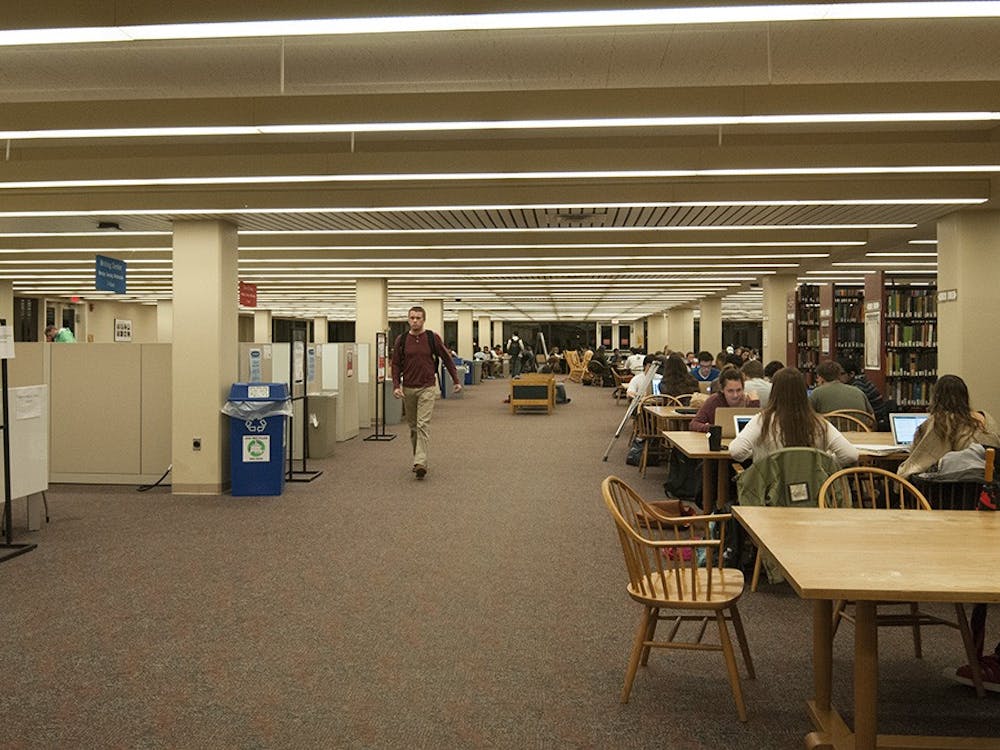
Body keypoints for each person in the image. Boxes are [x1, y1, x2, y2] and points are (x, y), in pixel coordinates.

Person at [729, 367, 859, 466]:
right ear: (803, 392)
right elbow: (851, 455)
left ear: (774, 392)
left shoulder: (763, 421)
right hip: (813, 495)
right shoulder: (818, 423)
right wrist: (825, 462)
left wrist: (759, 457)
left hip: (770, 494)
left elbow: (736, 451)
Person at [391, 306, 462, 480]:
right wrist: (396, 386)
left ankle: (420, 461)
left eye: (418, 318)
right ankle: (419, 459)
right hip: (408, 388)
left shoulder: (432, 338)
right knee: (413, 427)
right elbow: (395, 365)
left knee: (422, 425)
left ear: (424, 320)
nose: (414, 321)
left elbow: (446, 358)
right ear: (408, 319)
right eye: (412, 318)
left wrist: (456, 380)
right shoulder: (402, 340)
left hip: (427, 387)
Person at [897, 374, 1000, 478]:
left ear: (936, 397)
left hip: (953, 487)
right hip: (987, 485)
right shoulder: (986, 419)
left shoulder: (940, 422)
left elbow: (920, 462)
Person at [690, 369, 760, 433]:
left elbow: (758, 428)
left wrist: (755, 405)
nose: (735, 395)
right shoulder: (713, 401)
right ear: (722, 389)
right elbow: (694, 424)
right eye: (730, 391)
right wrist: (712, 428)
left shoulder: (749, 401)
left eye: (739, 390)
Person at [808, 360, 873, 415]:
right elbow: (872, 417)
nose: (816, 380)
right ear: (838, 375)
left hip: (830, 429)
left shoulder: (817, 393)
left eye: (817, 377)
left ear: (821, 378)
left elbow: (808, 415)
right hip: (860, 429)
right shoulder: (858, 392)